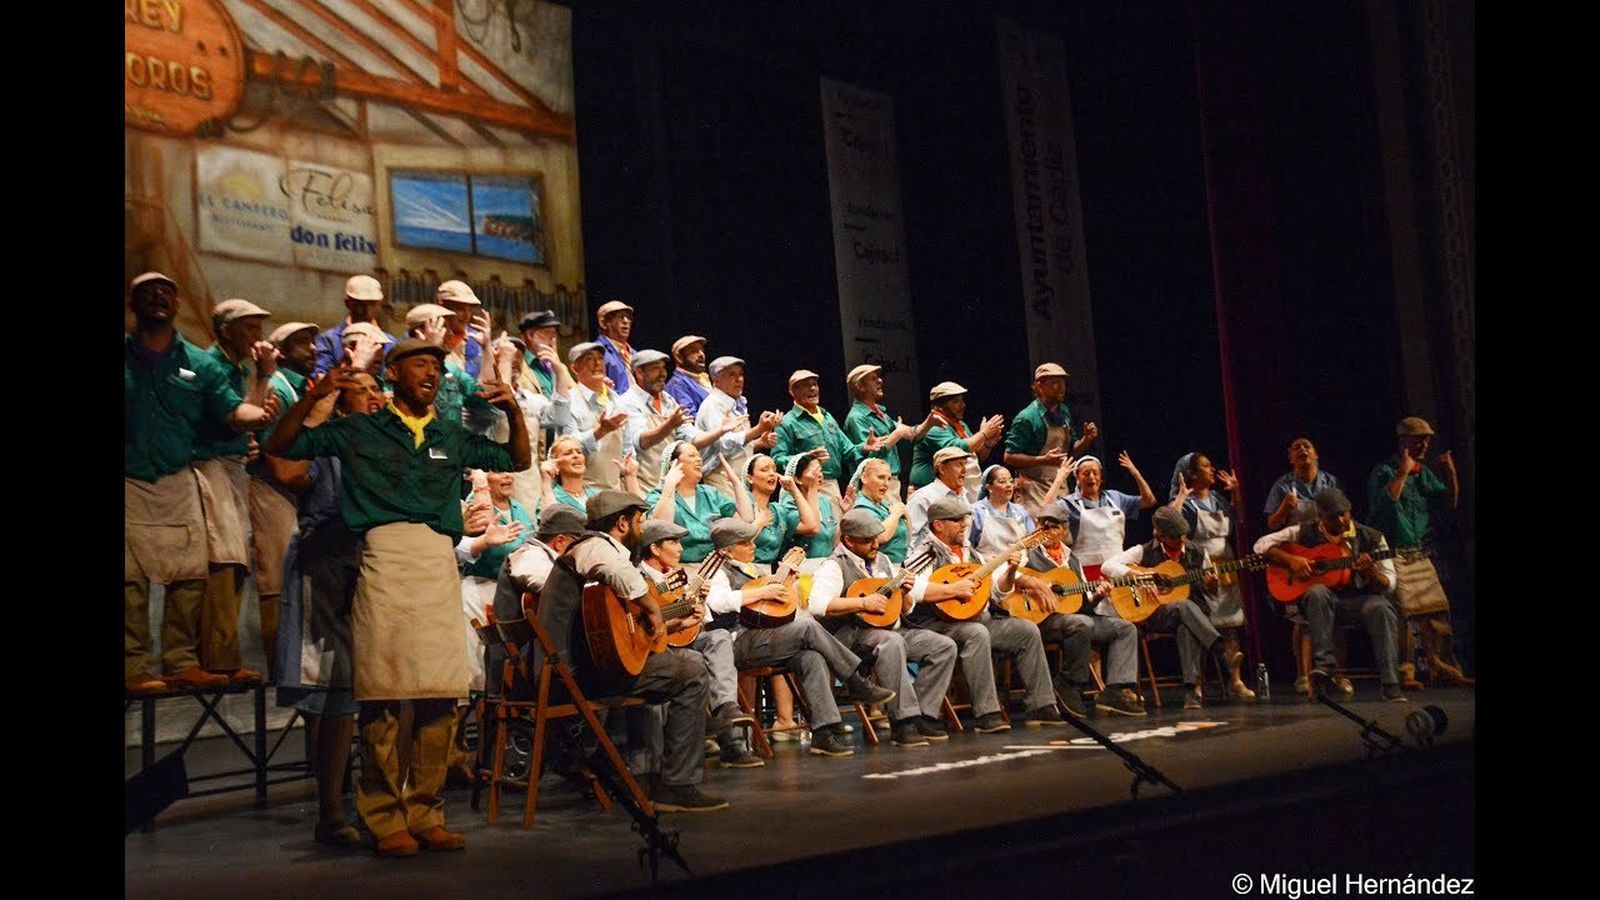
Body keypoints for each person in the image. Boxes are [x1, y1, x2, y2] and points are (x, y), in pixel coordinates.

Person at [267, 337, 531, 857]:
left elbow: (517, 459)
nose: (430, 371)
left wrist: (514, 412)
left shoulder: (449, 435)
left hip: (436, 560)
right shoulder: (361, 428)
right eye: (419, 364)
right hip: (383, 557)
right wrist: (313, 397)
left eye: (435, 364)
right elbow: (285, 445)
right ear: (394, 375)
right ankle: (386, 818)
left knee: (439, 691)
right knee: (384, 693)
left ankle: (427, 811)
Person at [530, 490, 737, 812]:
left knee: (679, 661)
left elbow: (615, 632)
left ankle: (646, 774)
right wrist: (653, 610)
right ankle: (678, 783)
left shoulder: (593, 553)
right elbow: (622, 576)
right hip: (575, 676)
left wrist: (666, 625)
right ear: (622, 523)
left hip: (585, 668)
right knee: (693, 671)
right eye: (639, 522)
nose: (642, 530)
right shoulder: (594, 546)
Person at [125, 273, 275, 696]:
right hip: (131, 478)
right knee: (129, 579)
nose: (158, 297)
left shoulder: (199, 362)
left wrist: (259, 407)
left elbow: (233, 411)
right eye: (147, 292)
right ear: (132, 302)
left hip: (176, 476)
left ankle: (180, 661)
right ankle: (133, 665)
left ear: (176, 306)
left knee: (190, 573)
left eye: (167, 292)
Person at [270, 371, 383, 845]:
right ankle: (331, 812)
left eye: (379, 389)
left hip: (374, 564)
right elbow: (284, 468)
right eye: (364, 391)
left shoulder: (386, 447)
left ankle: (375, 803)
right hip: (328, 564)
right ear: (340, 405)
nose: (376, 397)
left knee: (372, 689)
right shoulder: (327, 444)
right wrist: (314, 399)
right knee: (332, 692)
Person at [701, 518, 897, 757]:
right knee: (807, 628)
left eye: (752, 540)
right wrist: (762, 592)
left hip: (765, 639)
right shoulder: (717, 571)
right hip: (736, 642)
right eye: (745, 542)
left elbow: (777, 612)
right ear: (725, 550)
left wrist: (787, 589)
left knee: (811, 657)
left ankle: (823, 732)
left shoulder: (757, 570)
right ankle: (855, 681)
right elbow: (717, 603)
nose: (753, 546)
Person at [903, 496, 1067, 731]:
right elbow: (911, 587)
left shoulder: (972, 554)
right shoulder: (925, 553)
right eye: (957, 520)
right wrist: (951, 589)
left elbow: (997, 593)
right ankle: (987, 712)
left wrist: (1010, 571)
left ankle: (1041, 705)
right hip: (935, 623)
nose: (964, 525)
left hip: (975, 618)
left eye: (965, 520)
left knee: (1026, 630)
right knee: (977, 633)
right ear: (938, 525)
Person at [805, 508, 958, 746]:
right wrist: (862, 603)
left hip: (887, 631)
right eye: (867, 540)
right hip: (850, 638)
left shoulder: (884, 561)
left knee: (943, 646)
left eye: (876, 537)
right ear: (848, 541)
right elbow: (817, 605)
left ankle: (923, 716)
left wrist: (905, 595)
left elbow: (903, 609)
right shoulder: (834, 566)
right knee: (892, 642)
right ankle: (903, 722)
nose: (875, 544)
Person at [192, 297, 283, 684]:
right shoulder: (211, 366)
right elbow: (239, 416)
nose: (256, 336)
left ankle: (224, 657)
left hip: (233, 466)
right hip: (210, 464)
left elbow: (250, 421)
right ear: (226, 329)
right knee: (224, 557)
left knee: (235, 558)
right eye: (248, 327)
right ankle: (217, 658)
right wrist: (264, 378)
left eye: (258, 328)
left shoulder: (235, 367)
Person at [1255, 488, 1406, 702]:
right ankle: (1324, 668)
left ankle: (1390, 683)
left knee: (1381, 608)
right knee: (1317, 592)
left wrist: (1372, 573)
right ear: (1321, 518)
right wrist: (1292, 560)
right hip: (1320, 605)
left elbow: (1390, 583)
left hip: (1358, 602)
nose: (1341, 519)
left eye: (1344, 513)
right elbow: (1261, 544)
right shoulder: (1305, 531)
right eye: (1333, 516)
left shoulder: (1372, 538)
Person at [635, 519, 763, 769]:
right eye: (674, 542)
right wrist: (678, 614)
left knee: (719, 636)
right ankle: (723, 741)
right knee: (696, 663)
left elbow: (699, 622)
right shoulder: (638, 579)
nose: (681, 548)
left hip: (680, 641)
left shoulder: (676, 577)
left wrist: (697, 604)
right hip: (652, 648)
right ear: (654, 549)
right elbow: (646, 621)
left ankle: (727, 711)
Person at [1366, 416, 1469, 687]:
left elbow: (1448, 503)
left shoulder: (1422, 472)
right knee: (1403, 614)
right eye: (1419, 439)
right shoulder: (1384, 472)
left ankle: (1441, 666)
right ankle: (1405, 671)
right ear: (1404, 441)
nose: (1425, 444)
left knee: (1436, 610)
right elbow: (1387, 502)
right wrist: (1403, 470)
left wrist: (1451, 473)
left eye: (1427, 439)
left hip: (1419, 551)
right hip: (1394, 552)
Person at [1102, 507, 1239, 709]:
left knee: (1187, 626)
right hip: (1156, 614)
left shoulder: (1199, 553)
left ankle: (1191, 692)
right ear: (1161, 536)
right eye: (1175, 537)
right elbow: (1107, 566)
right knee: (1184, 606)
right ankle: (1221, 650)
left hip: (1194, 618)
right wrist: (1139, 576)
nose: (1181, 540)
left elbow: (1211, 593)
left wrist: (1211, 585)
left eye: (1183, 535)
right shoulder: (1144, 551)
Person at [1015, 510, 1145, 717]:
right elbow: (1003, 575)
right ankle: (1068, 684)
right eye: (1043, 525)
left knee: (1125, 628)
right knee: (1081, 623)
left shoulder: (1072, 558)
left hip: (1074, 617)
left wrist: (1099, 596)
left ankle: (1115, 690)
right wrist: (1033, 582)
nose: (1046, 531)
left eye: (1054, 526)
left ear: (1064, 530)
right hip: (1041, 617)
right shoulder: (1026, 552)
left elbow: (1083, 600)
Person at [1168, 452, 1255, 700]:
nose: (1212, 469)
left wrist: (1236, 493)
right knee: (1199, 625)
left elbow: (1239, 520)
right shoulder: (1186, 503)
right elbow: (1171, 527)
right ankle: (1196, 683)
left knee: (1230, 627)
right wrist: (1181, 496)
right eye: (1206, 466)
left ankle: (1235, 681)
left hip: (1225, 566)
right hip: (1198, 569)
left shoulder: (1217, 499)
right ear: (1192, 474)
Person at [620, 348, 741, 496]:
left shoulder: (668, 400)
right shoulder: (629, 402)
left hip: (669, 485)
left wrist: (720, 431)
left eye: (663, 368)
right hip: (643, 485)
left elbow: (693, 439)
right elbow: (641, 441)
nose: (663, 373)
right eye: (655, 368)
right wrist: (669, 425)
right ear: (639, 372)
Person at [1037, 452, 1158, 580]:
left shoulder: (1115, 498)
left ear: (1101, 478)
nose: (1091, 477)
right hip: (1085, 570)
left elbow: (1149, 501)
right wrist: (1059, 478)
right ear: (1077, 478)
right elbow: (1045, 510)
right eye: (1086, 473)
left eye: (1095, 473)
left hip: (1117, 567)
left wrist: (1135, 473)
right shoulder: (1070, 503)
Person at [1004, 362, 1099, 515]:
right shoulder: (1027, 418)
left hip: (1059, 484)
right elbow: (1009, 457)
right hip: (1033, 491)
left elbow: (1072, 451)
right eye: (1055, 383)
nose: (1061, 387)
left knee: (1063, 533)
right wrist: (1043, 460)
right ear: (1039, 386)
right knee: (1040, 533)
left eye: (1063, 383)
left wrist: (1087, 439)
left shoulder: (1064, 412)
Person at [647, 442, 753, 564]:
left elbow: (746, 519)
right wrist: (669, 486)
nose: (699, 459)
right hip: (677, 567)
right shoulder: (658, 495)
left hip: (714, 567)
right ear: (674, 463)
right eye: (692, 456)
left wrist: (736, 482)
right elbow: (661, 528)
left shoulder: (711, 493)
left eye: (699, 456)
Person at [842, 364, 931, 502]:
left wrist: (930, 422)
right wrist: (897, 434)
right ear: (860, 386)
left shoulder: (880, 413)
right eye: (873, 378)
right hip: (875, 485)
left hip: (891, 482)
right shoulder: (857, 418)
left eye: (878, 377)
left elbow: (911, 433)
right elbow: (871, 460)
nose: (880, 381)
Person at [695, 356, 781, 499]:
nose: (739, 379)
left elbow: (737, 447)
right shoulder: (713, 404)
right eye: (732, 374)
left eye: (740, 374)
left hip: (740, 478)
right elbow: (722, 446)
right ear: (716, 380)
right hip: (721, 479)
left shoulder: (738, 404)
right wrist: (758, 429)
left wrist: (758, 443)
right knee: (731, 520)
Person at [771, 369, 855, 507]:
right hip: (806, 489)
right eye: (806, 385)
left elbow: (848, 450)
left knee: (836, 527)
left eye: (815, 384)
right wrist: (805, 458)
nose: (812, 388)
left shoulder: (827, 417)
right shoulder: (787, 422)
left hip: (833, 486)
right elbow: (777, 459)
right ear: (793, 391)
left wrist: (865, 447)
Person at [908, 381, 1003, 494]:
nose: (962, 405)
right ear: (938, 407)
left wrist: (987, 444)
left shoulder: (961, 425)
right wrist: (984, 433)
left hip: (957, 492)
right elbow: (959, 449)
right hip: (929, 494)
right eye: (955, 401)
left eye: (962, 400)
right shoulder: (934, 428)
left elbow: (976, 455)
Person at [561, 341, 631, 491]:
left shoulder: (616, 400)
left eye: (600, 358)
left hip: (617, 489)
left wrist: (629, 469)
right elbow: (566, 448)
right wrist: (600, 432)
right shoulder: (569, 402)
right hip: (584, 490)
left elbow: (628, 446)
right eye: (588, 359)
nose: (596, 363)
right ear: (575, 368)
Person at [312, 274, 397, 377]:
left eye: (372, 304)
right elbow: (320, 379)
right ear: (348, 303)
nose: (366, 310)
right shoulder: (328, 340)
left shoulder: (391, 343)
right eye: (360, 304)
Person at [1263, 437, 1343, 530]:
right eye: (1297, 448)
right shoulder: (1282, 486)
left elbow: (1344, 517)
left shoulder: (1332, 483)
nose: (1302, 449)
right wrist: (1284, 508)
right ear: (1291, 459)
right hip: (1296, 540)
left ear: (1316, 455)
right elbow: (1272, 525)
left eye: (1307, 446)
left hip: (1326, 537)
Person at [906, 446, 976, 548]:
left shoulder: (964, 496)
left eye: (965, 464)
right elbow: (910, 539)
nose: (964, 470)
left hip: (959, 559)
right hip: (930, 560)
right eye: (959, 465)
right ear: (942, 469)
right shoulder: (923, 498)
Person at [850, 458, 912, 565]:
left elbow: (909, 534)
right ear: (864, 478)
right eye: (881, 477)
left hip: (899, 565)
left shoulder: (885, 504)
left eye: (889, 479)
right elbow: (878, 536)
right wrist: (897, 514)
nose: (886, 483)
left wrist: (905, 514)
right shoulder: (861, 507)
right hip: (878, 570)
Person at [969, 464, 1037, 559]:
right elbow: (968, 547)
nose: (1009, 485)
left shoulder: (1020, 511)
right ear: (989, 487)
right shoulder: (977, 511)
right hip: (987, 568)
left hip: (1021, 566)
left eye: (1011, 481)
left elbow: (1033, 543)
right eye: (1002, 481)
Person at [434, 279, 488, 379]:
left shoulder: (476, 341)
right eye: (460, 309)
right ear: (442, 307)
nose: (467, 315)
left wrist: (487, 348)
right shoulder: (421, 337)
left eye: (470, 309)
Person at [665, 335, 712, 417]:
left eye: (702, 350)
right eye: (694, 351)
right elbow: (689, 417)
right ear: (679, 357)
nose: (701, 354)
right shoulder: (677, 385)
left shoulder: (702, 379)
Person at [595, 299, 636, 393]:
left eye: (628, 317)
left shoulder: (633, 353)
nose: (626, 321)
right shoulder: (598, 352)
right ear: (603, 323)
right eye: (620, 317)